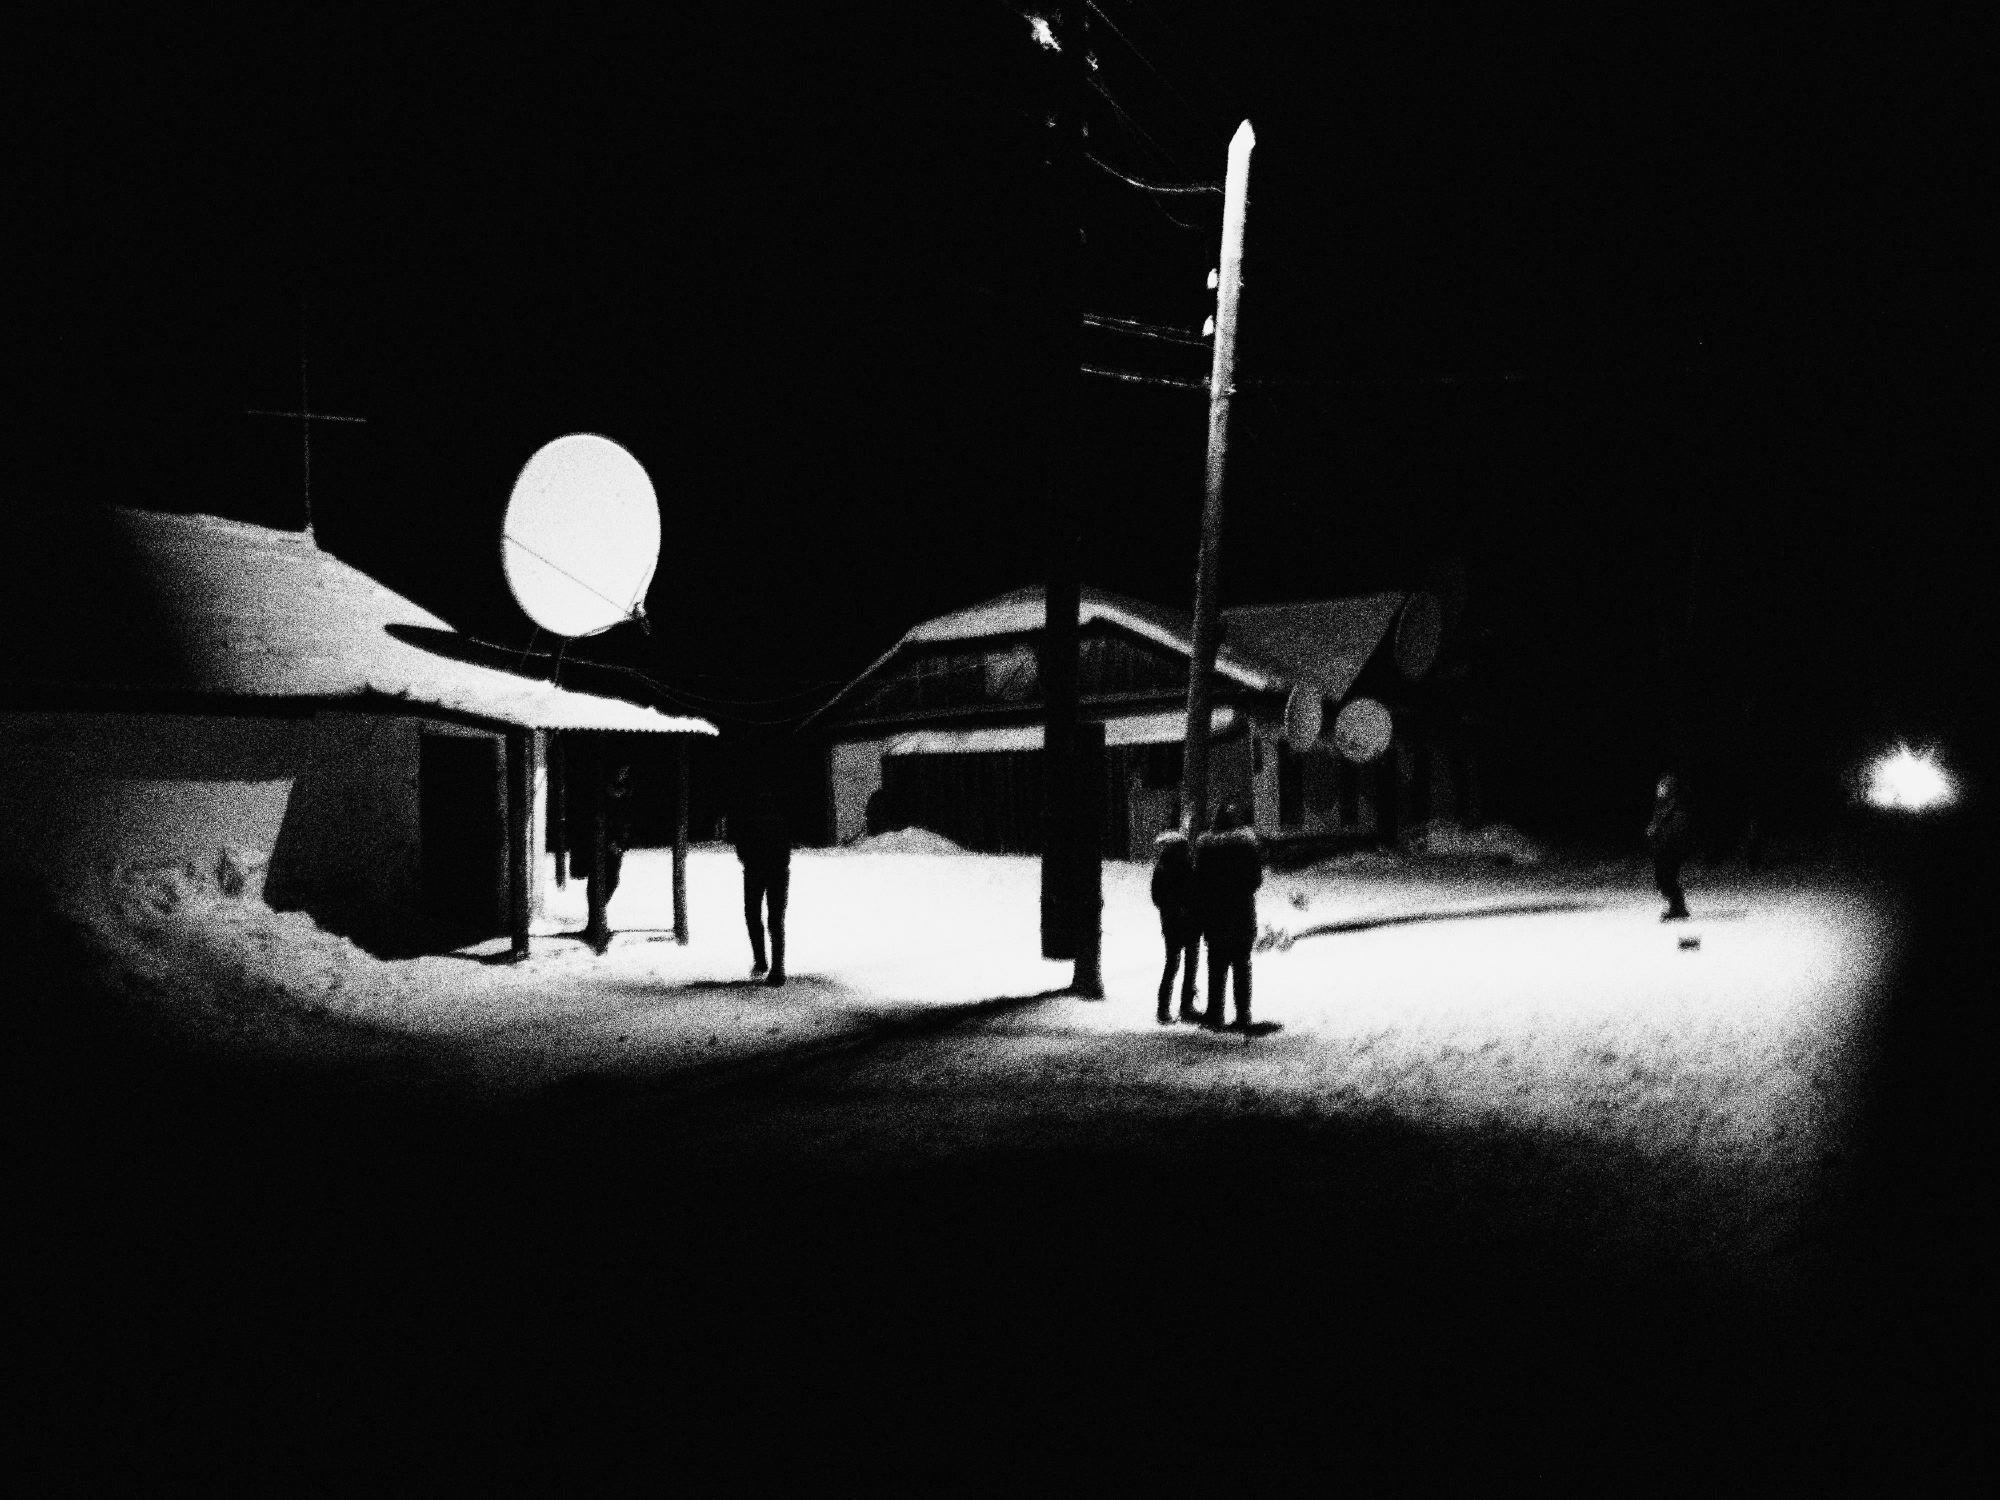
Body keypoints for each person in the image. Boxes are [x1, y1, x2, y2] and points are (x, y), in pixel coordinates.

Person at [1194, 801, 1262, 1030]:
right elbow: (1255, 880)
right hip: (1242, 913)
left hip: (1216, 914)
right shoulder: (1247, 845)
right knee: (1242, 966)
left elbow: (1199, 881)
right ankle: (1243, 1015)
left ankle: (1215, 1013)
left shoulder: (1206, 847)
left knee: (1216, 965)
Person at [732, 788, 793, 986]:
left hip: (754, 872)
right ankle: (778, 968)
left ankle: (760, 961)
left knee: (753, 915)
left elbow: (741, 848)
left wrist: (749, 861)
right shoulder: (780, 822)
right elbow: (786, 851)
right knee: (776, 920)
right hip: (778, 873)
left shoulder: (749, 822)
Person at [1149, 820, 1201, 1026]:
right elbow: (1162, 897)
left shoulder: (1165, 868)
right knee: (1182, 965)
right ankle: (1178, 1007)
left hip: (1174, 924)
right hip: (1183, 923)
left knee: (1176, 965)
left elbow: (1157, 898)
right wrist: (1183, 909)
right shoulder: (1180, 867)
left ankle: (1167, 1008)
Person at [585, 761, 632, 952]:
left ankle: (597, 917)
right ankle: (596, 920)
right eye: (622, 770)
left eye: (626, 771)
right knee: (598, 882)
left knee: (612, 881)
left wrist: (621, 843)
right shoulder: (604, 793)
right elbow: (603, 819)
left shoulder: (625, 792)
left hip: (617, 843)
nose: (624, 774)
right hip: (604, 844)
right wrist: (610, 841)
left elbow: (626, 820)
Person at [1645, 773, 1692, 921]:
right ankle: (1677, 907)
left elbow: (1677, 829)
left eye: (1663, 787)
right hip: (1663, 848)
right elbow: (1656, 825)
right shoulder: (1662, 806)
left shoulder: (1676, 807)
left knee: (1666, 878)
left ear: (1670, 789)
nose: (1659, 789)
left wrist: (1661, 837)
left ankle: (1678, 907)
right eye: (1659, 786)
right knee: (1663, 879)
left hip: (1671, 848)